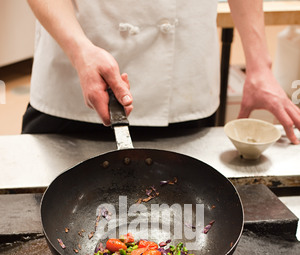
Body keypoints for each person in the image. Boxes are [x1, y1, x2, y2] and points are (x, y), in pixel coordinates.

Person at [22, 0, 300, 144]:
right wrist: (80, 51)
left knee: (186, 227)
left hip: (183, 81)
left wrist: (259, 66)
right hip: (74, 69)